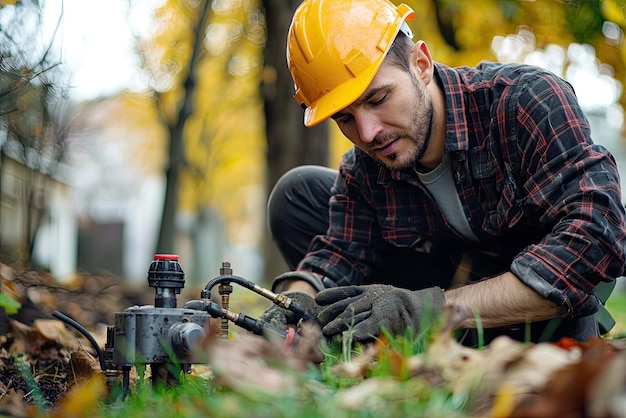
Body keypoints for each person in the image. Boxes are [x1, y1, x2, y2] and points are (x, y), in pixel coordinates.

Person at [260, 0, 626, 346]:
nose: (368, 133)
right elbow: (338, 256)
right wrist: (290, 303)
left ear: (421, 64)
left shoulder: (524, 101)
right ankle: (390, 341)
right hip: (444, 314)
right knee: (298, 194)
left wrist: (428, 310)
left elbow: (596, 236)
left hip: (538, 318)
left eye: (378, 99)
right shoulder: (365, 165)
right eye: (345, 118)